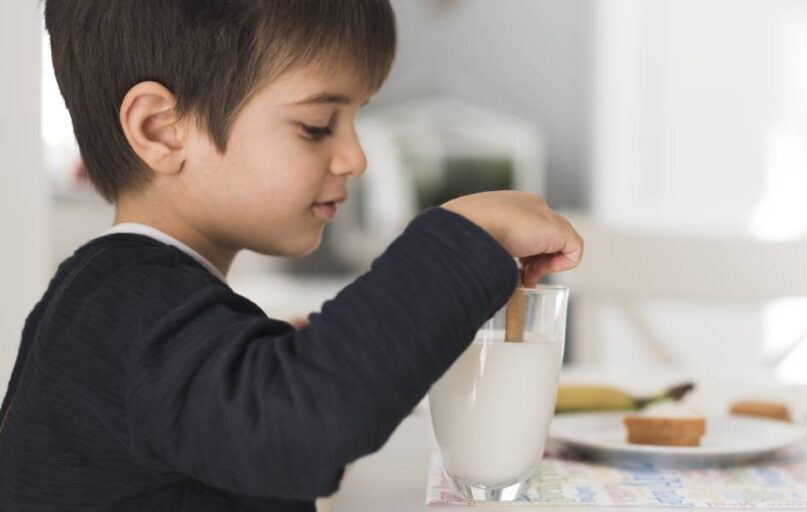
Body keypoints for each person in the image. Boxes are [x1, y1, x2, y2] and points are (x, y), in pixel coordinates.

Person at [0, 1, 583, 510]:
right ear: (162, 129)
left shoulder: (121, 299)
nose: (354, 157)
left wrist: (287, 356)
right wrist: (462, 237)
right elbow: (304, 429)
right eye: (317, 125)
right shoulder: (126, 310)